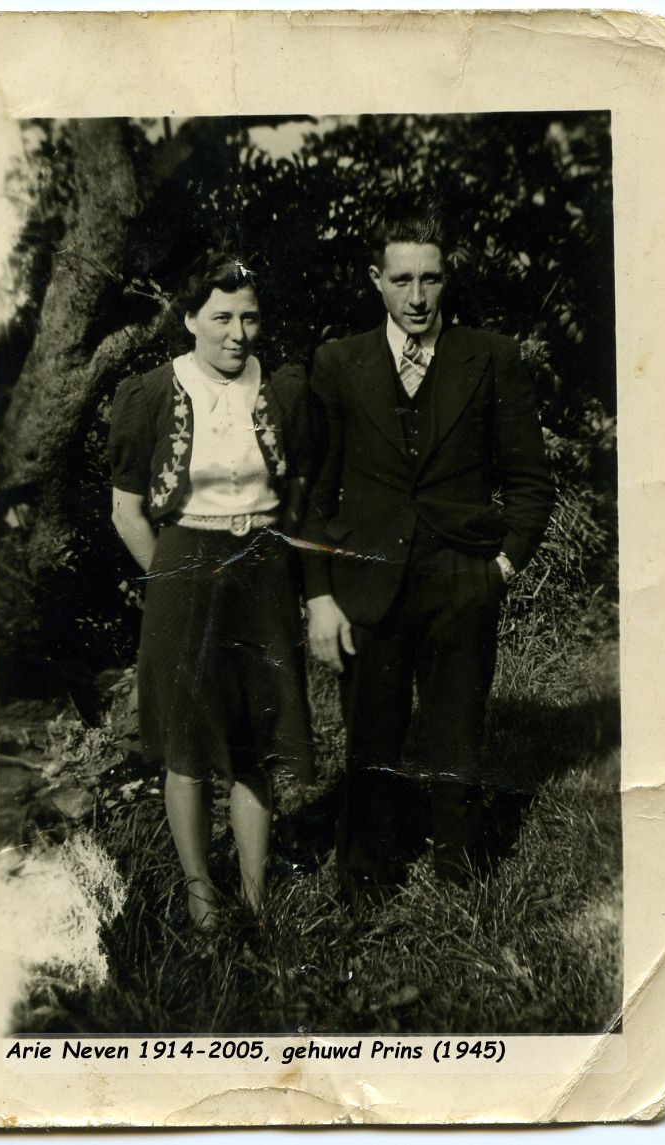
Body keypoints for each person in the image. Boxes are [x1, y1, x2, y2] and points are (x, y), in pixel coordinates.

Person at [301, 210, 554, 896]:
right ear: (376, 280)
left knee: (457, 734)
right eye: (402, 280)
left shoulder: (491, 356)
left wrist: (501, 568)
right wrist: (320, 594)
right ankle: (364, 881)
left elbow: (530, 481)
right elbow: (314, 491)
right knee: (370, 738)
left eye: (431, 279)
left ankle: (459, 881)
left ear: (448, 278)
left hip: (461, 579)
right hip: (368, 584)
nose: (417, 297)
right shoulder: (339, 363)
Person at [108, 252, 314, 929]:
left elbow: (298, 491)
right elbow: (126, 511)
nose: (237, 333)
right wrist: (172, 578)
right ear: (190, 319)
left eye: (249, 318)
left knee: (257, 735)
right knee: (188, 740)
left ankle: (255, 896)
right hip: (185, 568)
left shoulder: (282, 390)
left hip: (262, 568)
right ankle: (201, 896)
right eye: (221, 318)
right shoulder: (151, 393)